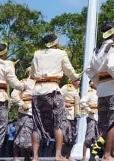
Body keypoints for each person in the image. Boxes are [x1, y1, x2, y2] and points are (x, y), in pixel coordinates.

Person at [30, 33, 81, 161]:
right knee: (58, 122)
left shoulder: (37, 54)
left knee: (37, 124)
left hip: (37, 91)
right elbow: (69, 71)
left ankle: (35, 156)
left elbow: (31, 72)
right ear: (56, 42)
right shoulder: (61, 53)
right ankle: (58, 155)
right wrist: (75, 77)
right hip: (52, 89)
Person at [86, 22, 114, 161]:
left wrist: (98, 82)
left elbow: (89, 69)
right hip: (113, 88)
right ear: (113, 33)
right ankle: (107, 155)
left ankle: (106, 154)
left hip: (101, 90)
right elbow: (113, 67)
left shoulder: (97, 49)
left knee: (105, 123)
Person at [10, 66, 36, 161]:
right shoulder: (23, 82)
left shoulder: (40, 84)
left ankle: (27, 156)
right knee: (20, 133)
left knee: (33, 135)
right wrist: (22, 104)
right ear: (29, 72)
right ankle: (15, 157)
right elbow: (14, 94)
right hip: (26, 111)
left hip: (37, 113)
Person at [60, 79, 81, 157]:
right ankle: (61, 155)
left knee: (73, 135)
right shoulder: (66, 87)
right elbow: (58, 95)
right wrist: (64, 103)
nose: (79, 80)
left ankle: (68, 156)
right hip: (67, 114)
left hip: (75, 114)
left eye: (79, 79)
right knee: (65, 135)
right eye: (76, 79)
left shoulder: (78, 89)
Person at [80, 82, 99, 161]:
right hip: (92, 117)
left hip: (98, 117)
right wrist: (89, 110)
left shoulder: (99, 92)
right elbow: (82, 101)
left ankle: (92, 156)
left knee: (96, 138)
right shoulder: (91, 92)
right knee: (88, 138)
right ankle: (84, 156)